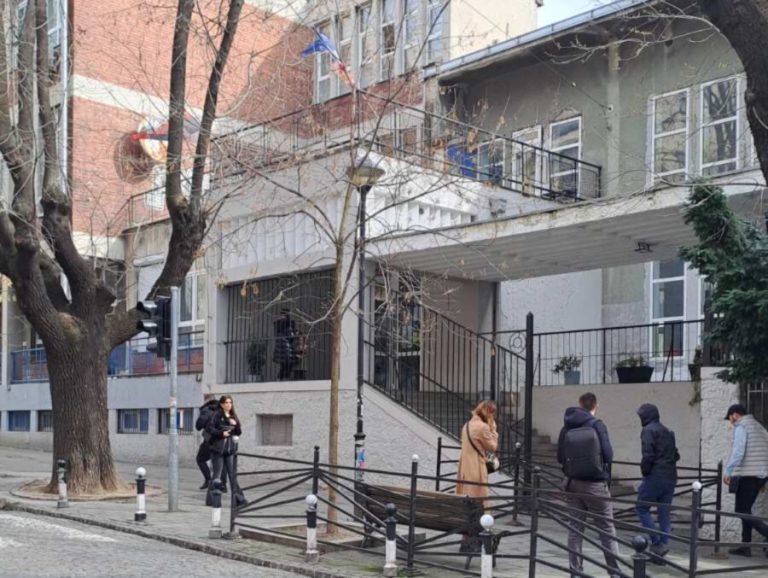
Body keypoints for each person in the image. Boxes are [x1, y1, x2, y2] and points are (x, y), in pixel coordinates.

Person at [557, 392, 621, 578]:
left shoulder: (566, 427)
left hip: (572, 483)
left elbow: (560, 457)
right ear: (596, 406)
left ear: (579, 404)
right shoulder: (597, 425)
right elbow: (609, 455)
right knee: (606, 530)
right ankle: (615, 573)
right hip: (595, 485)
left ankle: (576, 572)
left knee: (575, 529)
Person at [635, 403, 679, 561]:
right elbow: (676, 455)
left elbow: (648, 455)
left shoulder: (648, 430)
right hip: (671, 475)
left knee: (641, 507)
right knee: (664, 511)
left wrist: (645, 471)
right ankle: (663, 546)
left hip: (655, 475)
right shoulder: (668, 431)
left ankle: (656, 543)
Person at [723, 403, 768, 557]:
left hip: (749, 475)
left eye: (730, 418)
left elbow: (738, 451)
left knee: (741, 510)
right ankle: (745, 546)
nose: (730, 422)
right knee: (746, 510)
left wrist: (729, 471)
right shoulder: (758, 427)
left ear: (735, 415)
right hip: (760, 475)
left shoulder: (741, 427)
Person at [456, 400, 498, 553]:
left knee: (467, 502)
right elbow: (493, 446)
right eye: (492, 413)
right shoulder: (482, 427)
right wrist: (494, 430)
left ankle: (466, 539)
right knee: (478, 502)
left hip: (464, 468)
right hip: (476, 468)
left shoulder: (467, 425)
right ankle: (476, 539)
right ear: (488, 413)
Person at [205, 395, 244, 506]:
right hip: (217, 449)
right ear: (222, 404)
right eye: (226, 402)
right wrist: (221, 433)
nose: (229, 405)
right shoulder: (216, 415)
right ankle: (212, 501)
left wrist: (236, 425)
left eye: (230, 402)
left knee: (232, 475)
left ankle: (239, 499)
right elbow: (209, 428)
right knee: (217, 476)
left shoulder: (233, 415)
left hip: (229, 449)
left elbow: (238, 432)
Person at [195, 393, 219, 490]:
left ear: (206, 400)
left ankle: (208, 480)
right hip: (222, 440)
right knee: (220, 462)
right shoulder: (221, 409)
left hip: (210, 439)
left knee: (200, 459)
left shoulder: (207, 409)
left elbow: (199, 425)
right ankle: (223, 484)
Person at [273, 309, 299, 380]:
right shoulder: (288, 324)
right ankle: (284, 378)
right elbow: (290, 336)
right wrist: (294, 333)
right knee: (288, 363)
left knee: (284, 364)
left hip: (280, 347)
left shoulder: (277, 324)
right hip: (285, 347)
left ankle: (281, 378)